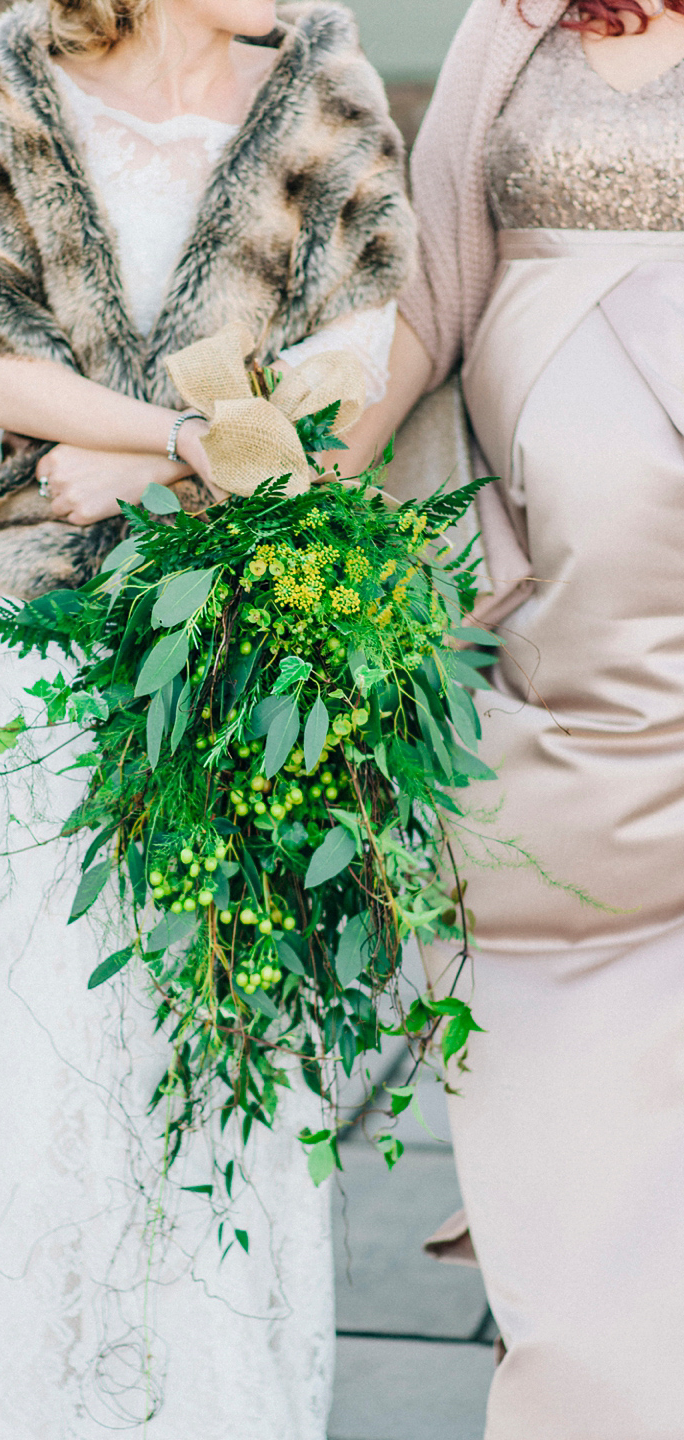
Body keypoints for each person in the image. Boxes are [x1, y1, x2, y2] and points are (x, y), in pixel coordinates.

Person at [0, 1, 414, 1436]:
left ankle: (225, 1391)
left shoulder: (329, 85)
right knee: (59, 1011)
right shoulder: (19, 76)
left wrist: (172, 483)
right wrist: (170, 437)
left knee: (242, 1009)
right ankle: (39, 1380)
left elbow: (354, 363)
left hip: (258, 618)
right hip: (59, 619)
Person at [348, 0, 684, 1433]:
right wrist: (301, 480)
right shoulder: (508, 27)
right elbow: (429, 289)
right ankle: (581, 1343)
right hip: (541, 604)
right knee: (536, 913)